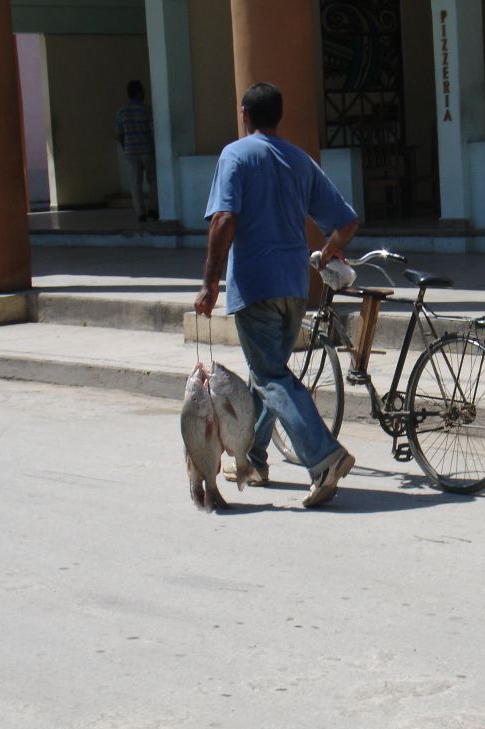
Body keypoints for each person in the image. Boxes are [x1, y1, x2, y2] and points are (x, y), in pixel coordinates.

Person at [193, 82, 360, 508]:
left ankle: (324, 457)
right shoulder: (299, 160)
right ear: (277, 116)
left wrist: (210, 282)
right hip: (295, 286)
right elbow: (346, 222)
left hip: (256, 286)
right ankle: (252, 459)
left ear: (244, 114)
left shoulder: (236, 154)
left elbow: (224, 219)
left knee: (269, 376)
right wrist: (327, 253)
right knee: (265, 374)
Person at [115, 80, 158, 222]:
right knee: (154, 181)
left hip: (131, 152)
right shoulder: (146, 110)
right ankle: (152, 209)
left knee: (135, 183)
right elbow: (153, 131)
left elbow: (120, 134)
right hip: (147, 150)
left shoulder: (121, 112)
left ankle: (140, 212)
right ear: (139, 92)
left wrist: (126, 147)